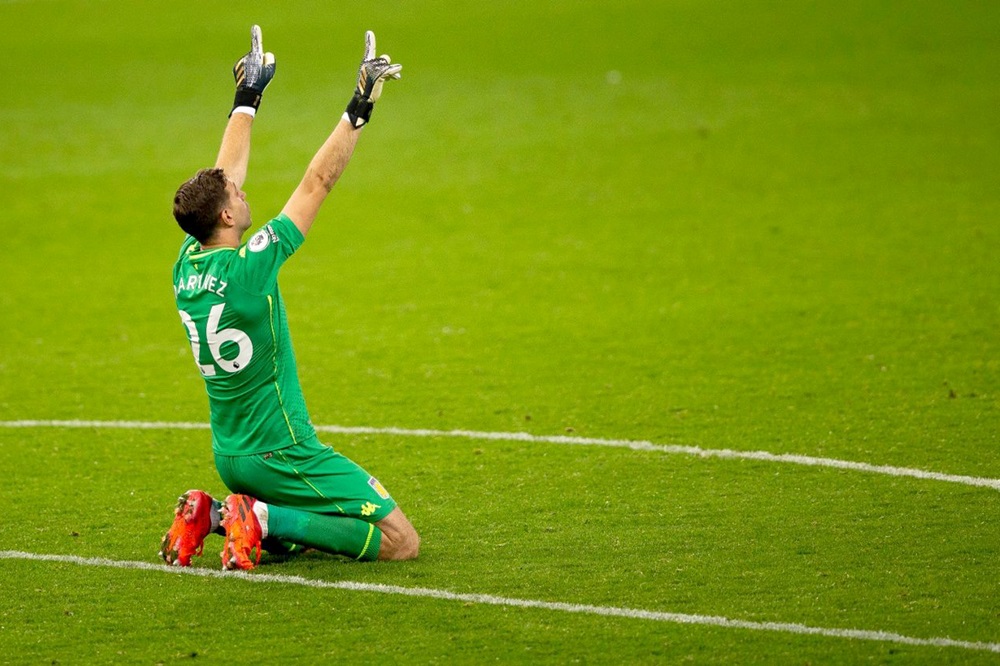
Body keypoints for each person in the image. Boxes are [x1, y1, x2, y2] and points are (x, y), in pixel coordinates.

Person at [159, 25, 419, 570]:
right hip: (281, 452)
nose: (242, 188)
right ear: (227, 216)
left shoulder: (189, 262)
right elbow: (316, 183)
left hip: (231, 455)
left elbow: (220, 176)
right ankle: (261, 518)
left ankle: (212, 516)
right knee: (400, 540)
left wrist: (247, 99)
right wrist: (360, 105)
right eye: (236, 194)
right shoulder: (252, 268)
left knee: (308, 533)